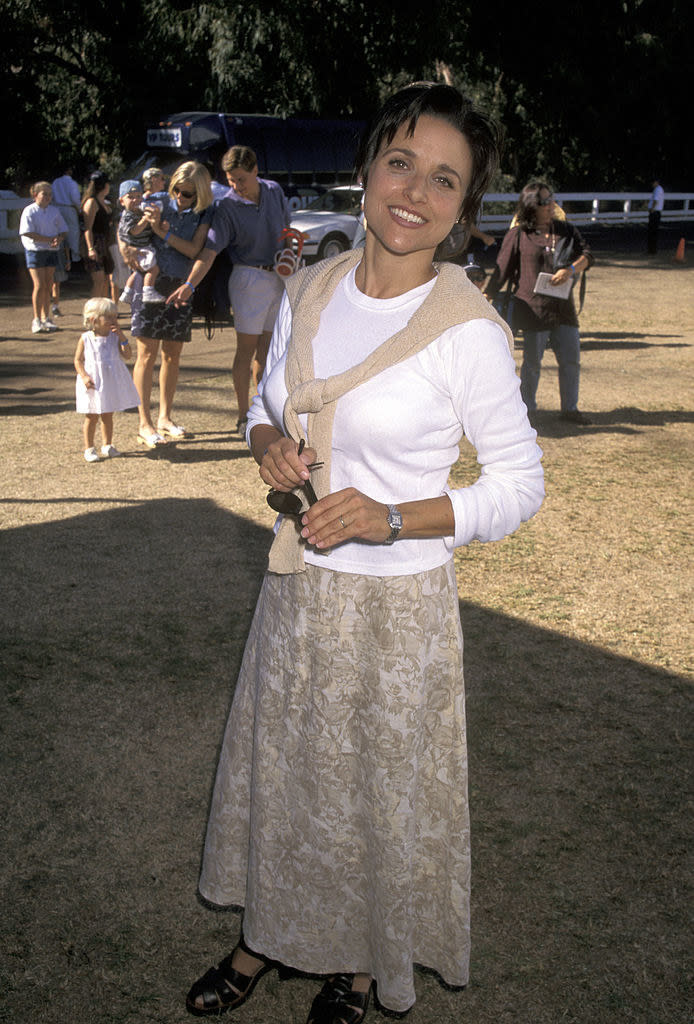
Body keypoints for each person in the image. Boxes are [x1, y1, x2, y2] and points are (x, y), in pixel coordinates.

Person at [185, 82, 544, 1023]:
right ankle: (263, 936)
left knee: (371, 801)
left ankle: (356, 966)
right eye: (401, 163)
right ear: (367, 168)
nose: (414, 193)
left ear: (465, 208)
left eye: (444, 180)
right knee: (289, 777)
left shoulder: (465, 329)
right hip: (298, 590)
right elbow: (272, 400)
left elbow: (518, 485)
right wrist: (266, 442)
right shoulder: (310, 290)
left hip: (399, 610)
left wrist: (391, 518)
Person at [167, 145, 291, 433]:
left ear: (256, 171)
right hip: (247, 279)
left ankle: (265, 412)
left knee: (270, 352)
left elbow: (286, 231)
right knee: (246, 352)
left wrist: (290, 259)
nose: (236, 186)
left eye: (241, 180)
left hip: (279, 278)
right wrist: (189, 284)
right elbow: (209, 252)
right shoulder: (227, 206)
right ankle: (242, 415)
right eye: (231, 180)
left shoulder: (274, 190)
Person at [484, 180, 593, 425]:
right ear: (532, 206)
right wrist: (486, 296)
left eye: (551, 198)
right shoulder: (518, 235)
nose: (551, 204)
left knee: (571, 360)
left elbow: (588, 255)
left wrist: (571, 270)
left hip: (563, 310)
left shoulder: (566, 230)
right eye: (544, 201)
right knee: (532, 363)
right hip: (532, 309)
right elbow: (501, 272)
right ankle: (527, 410)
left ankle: (570, 409)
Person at [121, 161, 214, 446]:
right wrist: (132, 238)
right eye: (176, 190)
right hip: (150, 287)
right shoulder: (157, 200)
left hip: (181, 289)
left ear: (199, 194)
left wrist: (163, 233)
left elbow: (194, 249)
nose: (180, 198)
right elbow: (127, 227)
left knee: (173, 356)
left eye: (187, 194)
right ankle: (144, 423)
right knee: (146, 355)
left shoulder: (206, 212)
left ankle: (165, 417)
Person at [74, 297, 139, 462]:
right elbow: (78, 360)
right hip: (93, 382)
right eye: (108, 317)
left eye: (114, 316)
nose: (113, 320)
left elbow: (127, 355)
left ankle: (107, 444)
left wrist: (122, 336)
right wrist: (84, 376)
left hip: (109, 381)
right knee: (92, 416)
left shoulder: (114, 337)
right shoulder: (86, 338)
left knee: (108, 414)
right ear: (93, 320)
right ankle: (89, 448)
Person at [19, 181, 68, 334]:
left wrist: (58, 239)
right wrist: (48, 240)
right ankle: (36, 320)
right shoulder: (29, 211)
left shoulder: (54, 211)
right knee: (39, 285)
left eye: (50, 194)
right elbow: (27, 232)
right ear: (35, 195)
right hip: (35, 251)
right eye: (44, 194)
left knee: (48, 285)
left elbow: (63, 229)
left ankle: (46, 318)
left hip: (51, 251)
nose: (48, 197)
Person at [116, 180, 165, 304]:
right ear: (122, 201)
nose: (135, 200)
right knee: (153, 269)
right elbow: (135, 231)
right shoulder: (127, 215)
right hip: (139, 247)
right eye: (130, 197)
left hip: (142, 246)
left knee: (138, 271)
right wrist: (145, 219)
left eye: (138, 196)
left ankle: (127, 292)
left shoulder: (138, 212)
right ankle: (148, 291)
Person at [81, 171, 114, 297]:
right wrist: (90, 248)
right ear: (104, 185)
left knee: (106, 280)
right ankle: (92, 311)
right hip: (94, 242)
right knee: (99, 280)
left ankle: (102, 310)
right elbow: (88, 228)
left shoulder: (105, 202)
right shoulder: (91, 202)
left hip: (105, 242)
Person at [51, 165, 82, 263]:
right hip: (69, 208)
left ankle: (62, 256)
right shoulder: (72, 183)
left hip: (57, 208)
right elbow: (75, 198)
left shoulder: (55, 182)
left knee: (60, 231)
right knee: (73, 232)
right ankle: (75, 256)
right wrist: (79, 210)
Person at [647, 179, 664, 254]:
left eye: (653, 182)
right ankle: (652, 249)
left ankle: (652, 250)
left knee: (652, 231)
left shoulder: (657, 190)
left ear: (656, 182)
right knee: (653, 231)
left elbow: (655, 200)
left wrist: (652, 209)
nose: (652, 184)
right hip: (656, 212)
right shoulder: (658, 189)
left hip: (655, 212)